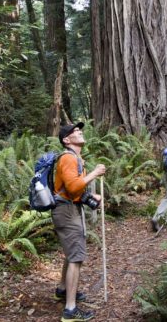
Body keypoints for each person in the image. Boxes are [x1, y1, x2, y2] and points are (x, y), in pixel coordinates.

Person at [53, 122, 106, 322]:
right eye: (75, 131)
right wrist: (95, 173)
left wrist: (92, 197)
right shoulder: (67, 158)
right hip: (66, 212)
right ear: (67, 140)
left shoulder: (75, 158)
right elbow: (73, 187)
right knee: (76, 257)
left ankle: (62, 290)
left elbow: (73, 191)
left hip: (68, 209)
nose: (79, 131)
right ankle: (70, 309)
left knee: (71, 253)